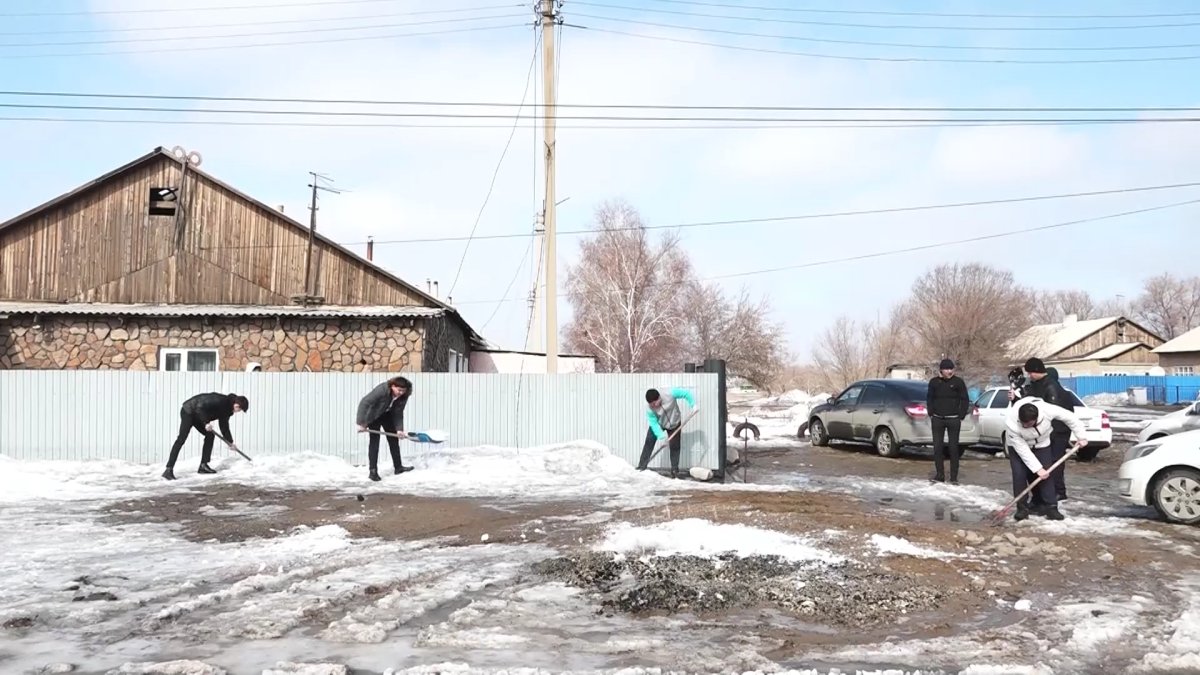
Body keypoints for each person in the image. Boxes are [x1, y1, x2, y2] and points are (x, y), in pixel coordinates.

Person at [1005, 396, 1088, 521]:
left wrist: (1081, 436)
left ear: (1036, 419)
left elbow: (1070, 418)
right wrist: (1037, 469)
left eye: (1028, 424)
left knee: (1047, 474)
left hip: (1042, 444)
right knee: (1019, 475)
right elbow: (1023, 450)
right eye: (1023, 424)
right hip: (1018, 448)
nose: (1025, 426)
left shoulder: (1047, 410)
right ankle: (1022, 508)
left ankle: (1051, 507)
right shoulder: (1012, 423)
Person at [1010, 357, 1074, 502]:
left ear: (1037, 371)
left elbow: (1055, 413)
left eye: (1030, 372)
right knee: (1040, 465)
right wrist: (1015, 400)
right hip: (1042, 433)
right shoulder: (1035, 385)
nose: (1029, 376)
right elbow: (1027, 407)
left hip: (1055, 432)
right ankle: (1040, 497)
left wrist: (1049, 433)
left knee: (1053, 464)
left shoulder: (1050, 387)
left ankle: (1057, 493)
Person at [163, 392, 249, 480]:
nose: (238, 411)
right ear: (237, 405)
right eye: (240, 409)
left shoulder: (227, 410)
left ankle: (203, 466)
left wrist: (230, 442)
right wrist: (206, 422)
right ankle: (168, 469)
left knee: (210, 436)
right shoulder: (220, 401)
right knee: (181, 439)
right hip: (189, 411)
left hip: (198, 415)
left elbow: (224, 426)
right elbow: (200, 407)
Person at [356, 376, 413, 482]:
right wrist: (361, 423)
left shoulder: (404, 396)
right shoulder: (382, 390)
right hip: (374, 416)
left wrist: (399, 429)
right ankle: (373, 471)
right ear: (393, 386)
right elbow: (365, 403)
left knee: (394, 440)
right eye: (399, 390)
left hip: (387, 415)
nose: (400, 393)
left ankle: (398, 467)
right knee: (374, 441)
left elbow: (398, 412)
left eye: (403, 391)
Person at [636, 387, 697, 479]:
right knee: (649, 442)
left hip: (674, 423)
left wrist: (693, 405)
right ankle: (642, 466)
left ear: (659, 398)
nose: (654, 406)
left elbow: (686, 393)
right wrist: (661, 436)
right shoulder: (650, 409)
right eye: (651, 404)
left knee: (675, 446)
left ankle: (674, 470)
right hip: (659, 423)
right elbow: (653, 423)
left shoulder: (669, 393)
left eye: (654, 403)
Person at [926, 358, 970, 485]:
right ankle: (940, 474)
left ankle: (954, 477)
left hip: (953, 419)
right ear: (941, 370)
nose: (949, 371)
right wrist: (931, 412)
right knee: (938, 448)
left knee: (953, 448)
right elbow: (929, 398)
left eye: (951, 369)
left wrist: (960, 415)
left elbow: (965, 399)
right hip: (938, 419)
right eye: (947, 369)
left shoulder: (958, 382)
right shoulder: (934, 382)